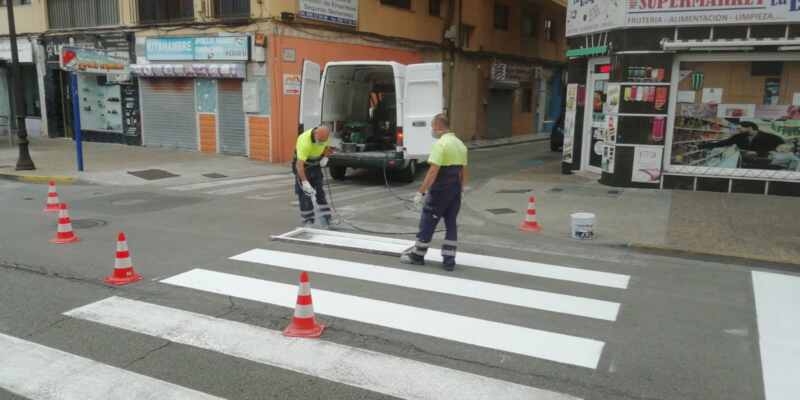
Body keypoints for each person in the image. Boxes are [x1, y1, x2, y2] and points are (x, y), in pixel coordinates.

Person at [401, 113, 468, 271]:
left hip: (440, 190)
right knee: (451, 224)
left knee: (428, 221)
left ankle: (417, 255)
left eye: (432, 127)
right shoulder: (460, 144)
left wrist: (421, 192)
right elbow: (463, 171)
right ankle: (449, 260)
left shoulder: (441, 145)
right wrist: (461, 190)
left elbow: (433, 171)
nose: (432, 130)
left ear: (438, 127)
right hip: (455, 190)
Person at [294, 125, 334, 227]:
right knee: (305, 194)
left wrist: (325, 157)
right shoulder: (304, 142)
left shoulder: (324, 137)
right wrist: (304, 182)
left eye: (323, 140)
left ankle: (326, 218)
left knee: (320, 191)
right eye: (320, 140)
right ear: (316, 134)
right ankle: (308, 219)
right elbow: (299, 165)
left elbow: (328, 148)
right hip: (304, 166)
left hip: (315, 164)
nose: (321, 143)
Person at [702, 121, 784, 169]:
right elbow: (723, 143)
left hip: (763, 164)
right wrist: (702, 146)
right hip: (745, 164)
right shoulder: (739, 137)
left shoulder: (771, 137)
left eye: (741, 128)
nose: (739, 130)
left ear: (750, 128)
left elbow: (781, 148)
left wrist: (759, 153)